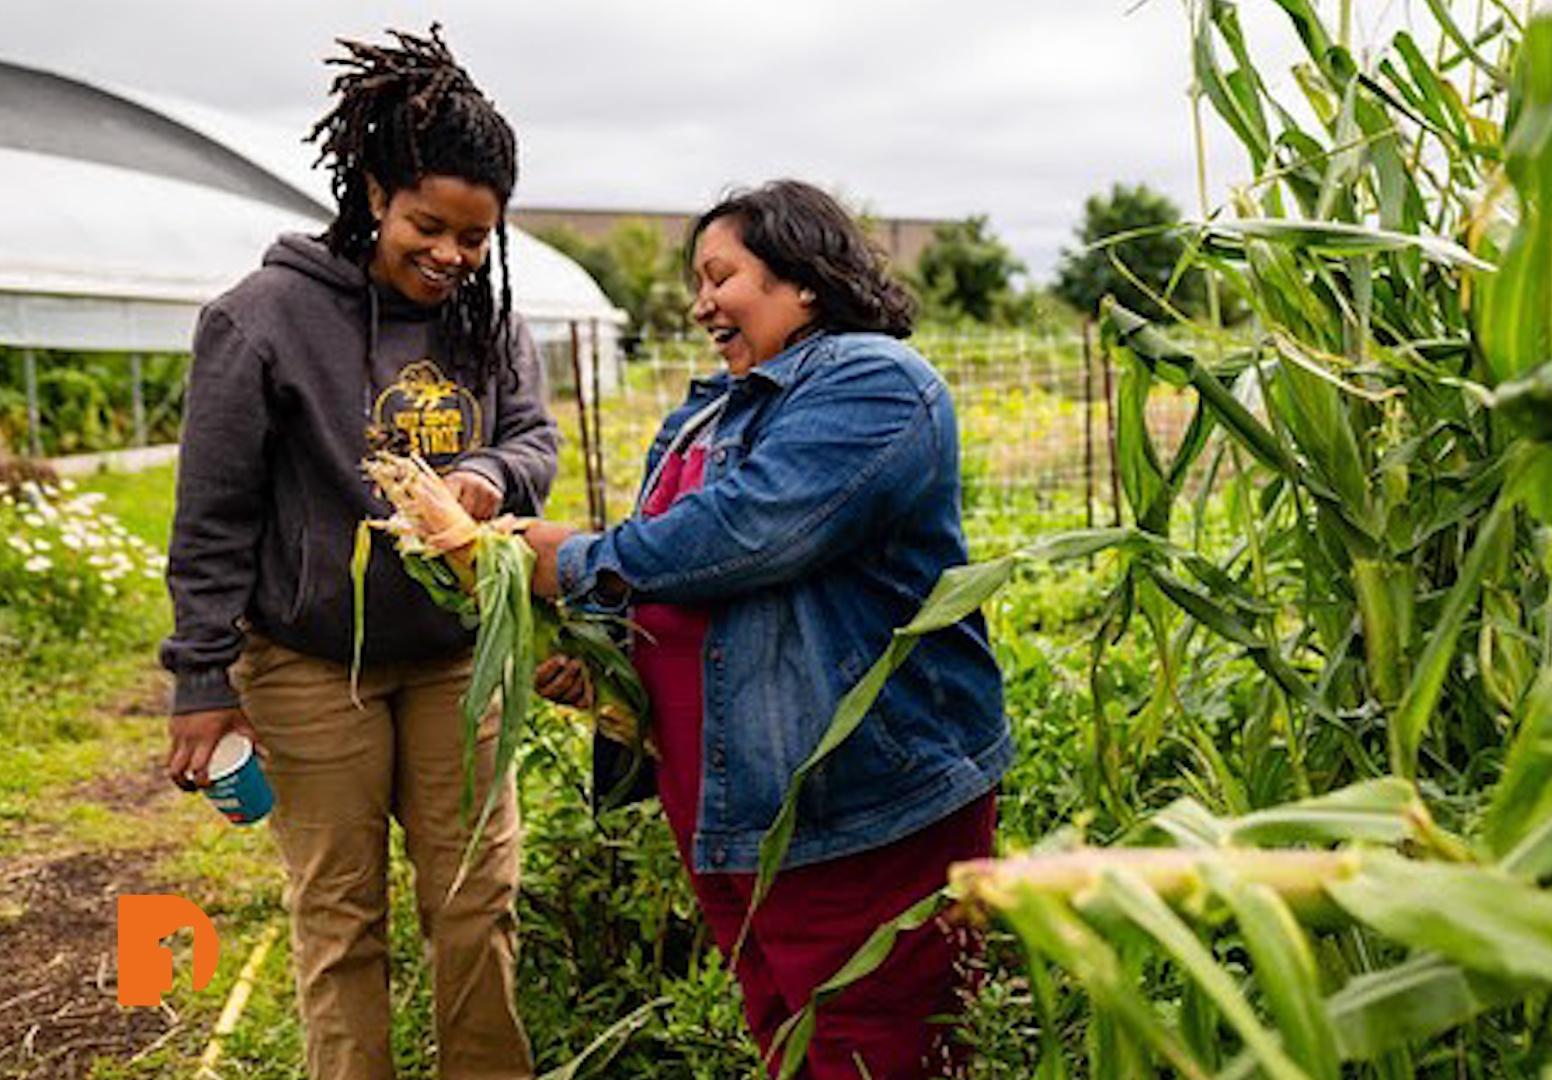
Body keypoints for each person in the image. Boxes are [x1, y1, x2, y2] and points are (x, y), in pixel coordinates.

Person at [524, 180, 1008, 1078]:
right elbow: (683, 584)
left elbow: (754, 533)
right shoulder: (710, 409)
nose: (700, 301)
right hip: (728, 806)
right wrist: (608, 659)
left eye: (721, 275)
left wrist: (578, 562)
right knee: (786, 1032)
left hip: (855, 807)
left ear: (806, 280)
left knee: (884, 1040)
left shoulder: (876, 381)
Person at [160, 27, 554, 1080]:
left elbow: (532, 438)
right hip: (307, 663)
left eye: (477, 238)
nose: (453, 257)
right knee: (341, 916)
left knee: (477, 899)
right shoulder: (261, 320)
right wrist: (202, 675)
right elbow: (212, 516)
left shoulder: (488, 321)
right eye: (430, 226)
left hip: (457, 655)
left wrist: (489, 475)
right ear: (374, 189)